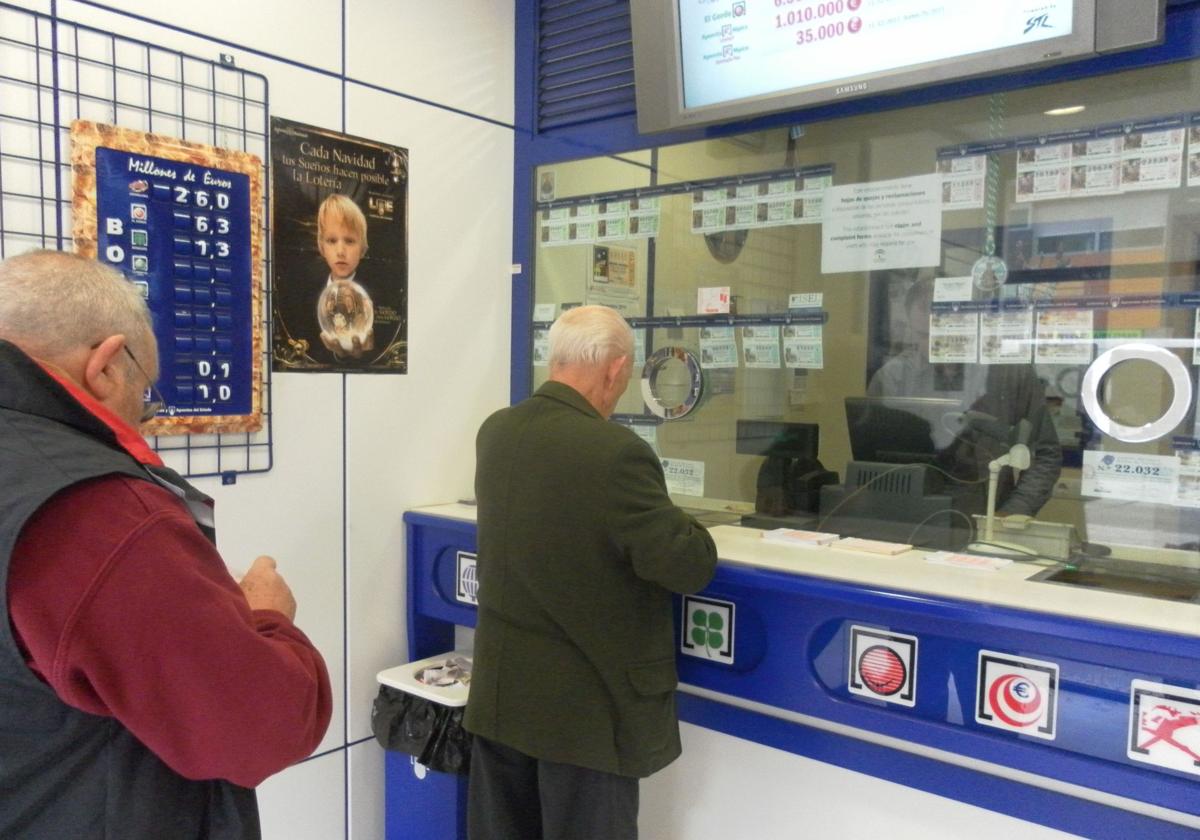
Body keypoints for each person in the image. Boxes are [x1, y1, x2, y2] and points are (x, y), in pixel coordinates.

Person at [0, 250, 332, 838]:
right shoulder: (96, 513)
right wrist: (267, 619)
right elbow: (255, 730)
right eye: (144, 397)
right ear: (105, 366)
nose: (143, 419)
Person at [464, 305, 718, 840]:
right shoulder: (616, 452)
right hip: (585, 721)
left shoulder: (497, 432)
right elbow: (686, 564)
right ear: (616, 369)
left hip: (502, 700)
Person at [868, 275, 1061, 517]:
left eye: (940, 336)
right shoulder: (892, 378)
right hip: (906, 514)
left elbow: (1046, 455)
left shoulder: (1009, 372)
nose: (930, 347)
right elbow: (872, 459)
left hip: (987, 514)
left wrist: (1011, 514)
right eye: (921, 336)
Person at [315, 193, 375, 360]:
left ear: (363, 249)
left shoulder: (373, 298)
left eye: (349, 241)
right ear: (321, 247)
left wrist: (363, 358)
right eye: (332, 241)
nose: (340, 252)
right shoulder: (305, 295)